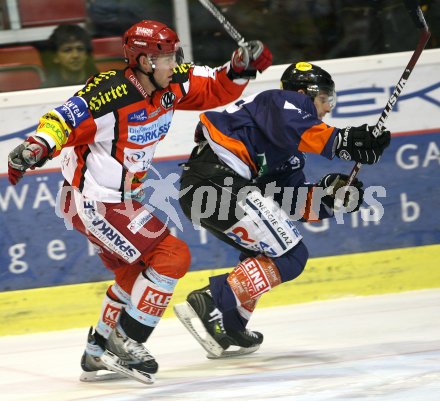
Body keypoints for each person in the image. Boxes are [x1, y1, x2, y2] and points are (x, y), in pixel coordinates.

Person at [7, 20, 272, 384]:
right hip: (95, 202)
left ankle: (97, 350)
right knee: (171, 256)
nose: (175, 62)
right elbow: (62, 120)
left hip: (116, 199)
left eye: (174, 55)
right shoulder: (109, 93)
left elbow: (214, 89)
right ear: (145, 61)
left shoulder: (172, 83)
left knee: (135, 276)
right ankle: (128, 340)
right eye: (166, 57)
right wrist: (37, 145)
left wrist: (241, 66)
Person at [174, 61, 391, 358]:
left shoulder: (285, 150)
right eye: (324, 99)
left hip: (207, 188)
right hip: (215, 180)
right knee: (291, 255)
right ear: (304, 93)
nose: (327, 108)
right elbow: (305, 128)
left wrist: (332, 198)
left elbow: (288, 201)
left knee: (265, 253)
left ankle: (229, 321)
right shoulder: (280, 101)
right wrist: (346, 141)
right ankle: (211, 301)